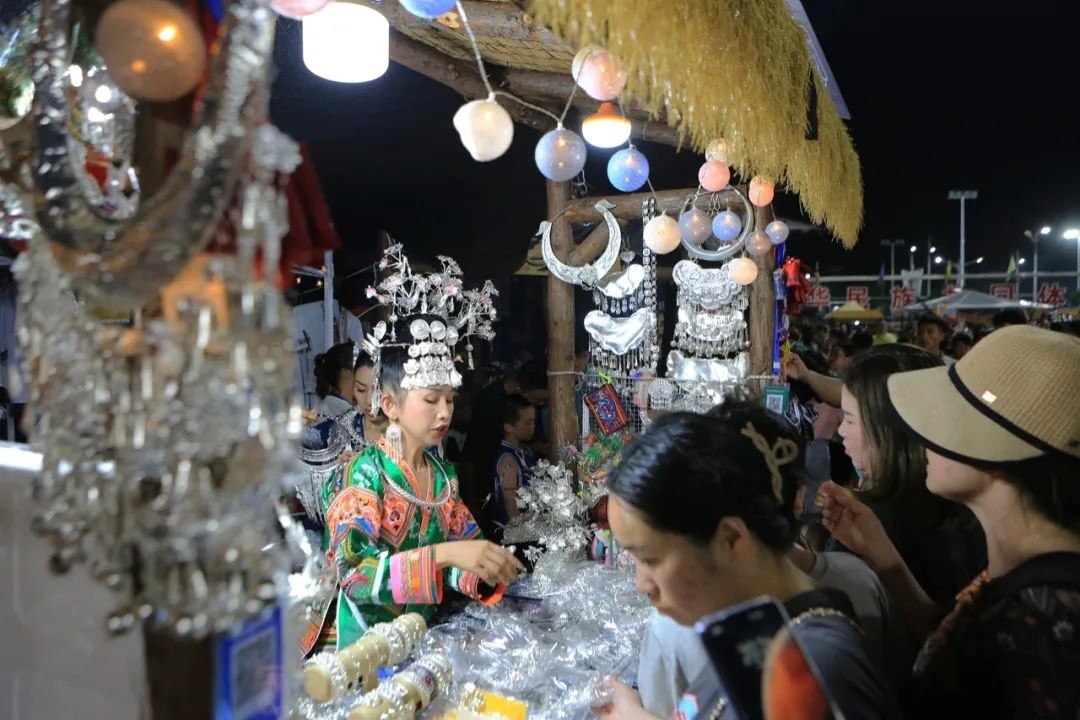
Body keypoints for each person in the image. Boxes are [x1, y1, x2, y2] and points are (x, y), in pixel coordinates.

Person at [819, 325, 1080, 718]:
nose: (919, 432)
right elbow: (946, 642)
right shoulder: (1024, 574)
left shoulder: (1044, 620)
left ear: (996, 448)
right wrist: (885, 560)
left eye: (942, 416)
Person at [596, 404, 901, 720]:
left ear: (730, 539)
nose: (642, 584)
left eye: (650, 559)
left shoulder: (811, 668)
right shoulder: (758, 639)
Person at [300, 247, 521, 655]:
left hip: (421, 638)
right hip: (362, 648)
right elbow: (355, 576)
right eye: (431, 400)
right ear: (390, 405)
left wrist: (486, 569)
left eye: (449, 399)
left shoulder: (443, 478)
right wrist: (444, 554)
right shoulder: (364, 474)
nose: (445, 412)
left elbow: (461, 557)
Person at [838, 345, 985, 607]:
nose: (840, 430)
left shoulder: (861, 523)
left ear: (889, 428)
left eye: (849, 420)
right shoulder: (968, 512)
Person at [489, 394, 538, 530]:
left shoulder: (524, 452)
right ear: (508, 427)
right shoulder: (508, 461)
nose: (533, 427)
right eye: (528, 423)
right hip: (518, 534)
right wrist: (522, 536)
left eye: (534, 422)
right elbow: (511, 505)